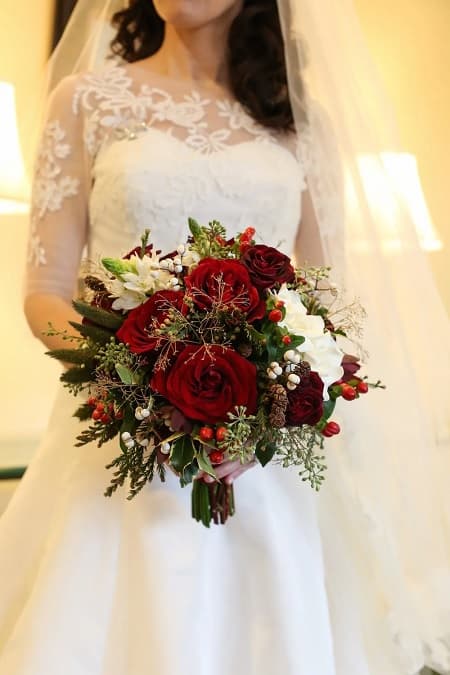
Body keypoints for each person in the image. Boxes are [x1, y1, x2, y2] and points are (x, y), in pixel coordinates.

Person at [0, 1, 449, 673]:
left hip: (262, 463)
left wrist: (267, 408)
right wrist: (135, 378)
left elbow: (322, 305)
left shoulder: (303, 126)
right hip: (117, 445)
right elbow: (46, 290)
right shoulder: (87, 101)